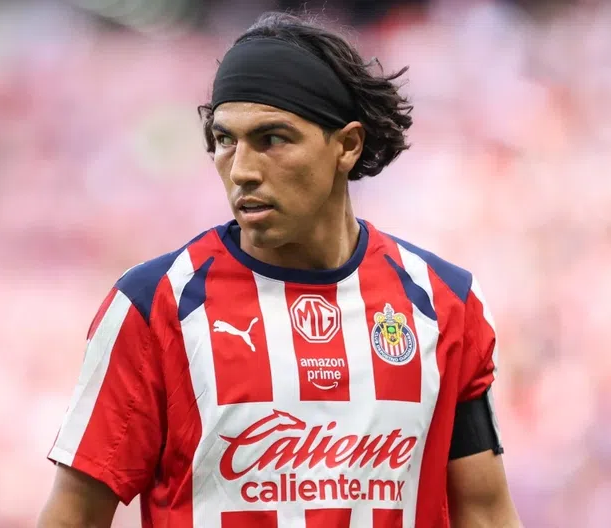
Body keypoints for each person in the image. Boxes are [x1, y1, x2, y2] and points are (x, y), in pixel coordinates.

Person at [38, 11, 522, 528]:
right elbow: (73, 517)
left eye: (272, 139)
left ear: (347, 145)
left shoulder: (443, 303)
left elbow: (486, 515)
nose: (242, 170)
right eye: (226, 140)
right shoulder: (155, 306)